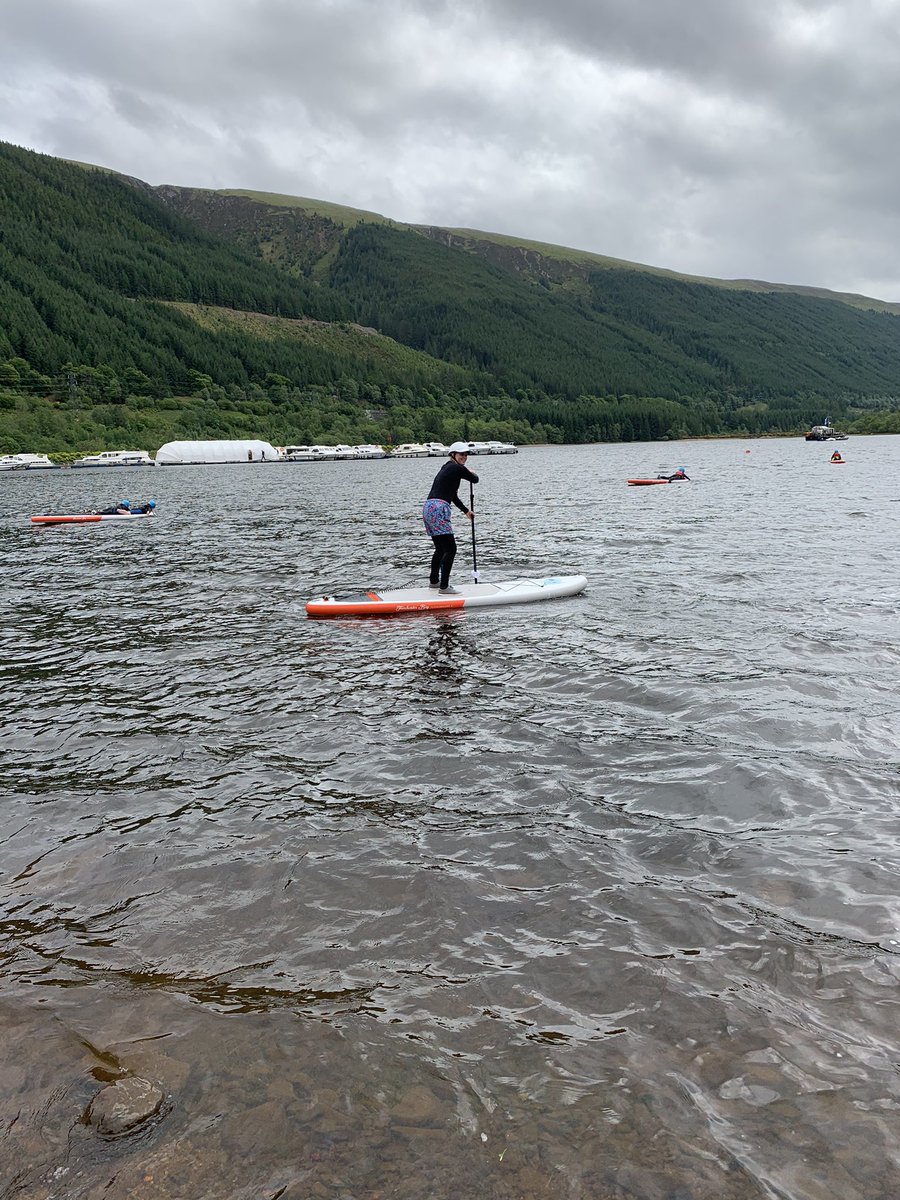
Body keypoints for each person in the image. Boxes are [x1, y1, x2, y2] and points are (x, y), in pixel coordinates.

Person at [422, 442, 479, 593]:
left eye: (466, 455)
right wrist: (470, 472)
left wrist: (466, 511)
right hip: (439, 509)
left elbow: (452, 495)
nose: (464, 457)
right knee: (451, 549)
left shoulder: (447, 468)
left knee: (440, 549)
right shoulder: (455, 467)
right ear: (453, 454)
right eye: (461, 455)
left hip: (429, 508)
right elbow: (475, 480)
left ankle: (434, 581)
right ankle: (444, 586)